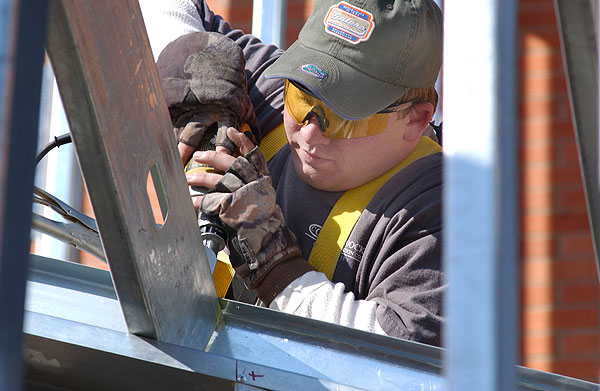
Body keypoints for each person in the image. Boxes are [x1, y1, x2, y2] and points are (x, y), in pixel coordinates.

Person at [144, 0, 444, 346]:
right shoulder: (267, 92)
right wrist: (192, 72)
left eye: (347, 117)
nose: (310, 132)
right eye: (301, 98)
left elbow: (398, 362)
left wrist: (274, 264)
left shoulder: (439, 214)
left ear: (416, 120)